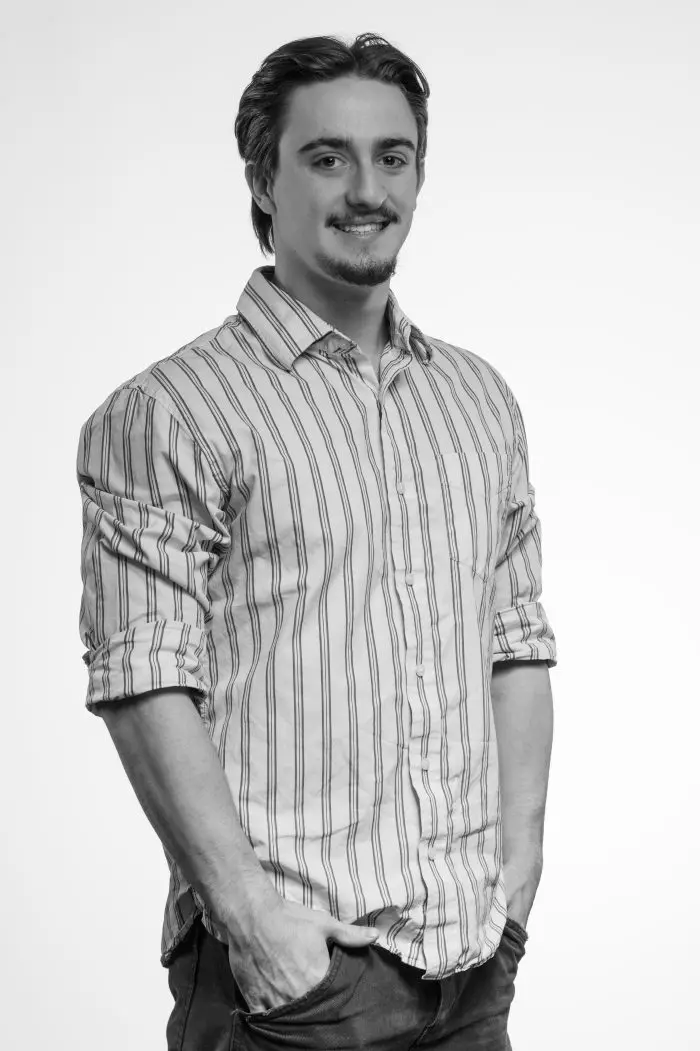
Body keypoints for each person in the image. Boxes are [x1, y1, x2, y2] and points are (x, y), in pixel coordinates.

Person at [76, 32, 557, 1051]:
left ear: (419, 174)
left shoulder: (478, 401)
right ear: (263, 177)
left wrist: (517, 875)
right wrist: (252, 924)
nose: (365, 188)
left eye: (392, 156)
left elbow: (514, 643)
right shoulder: (172, 410)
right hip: (297, 987)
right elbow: (142, 680)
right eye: (326, 157)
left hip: (470, 968)